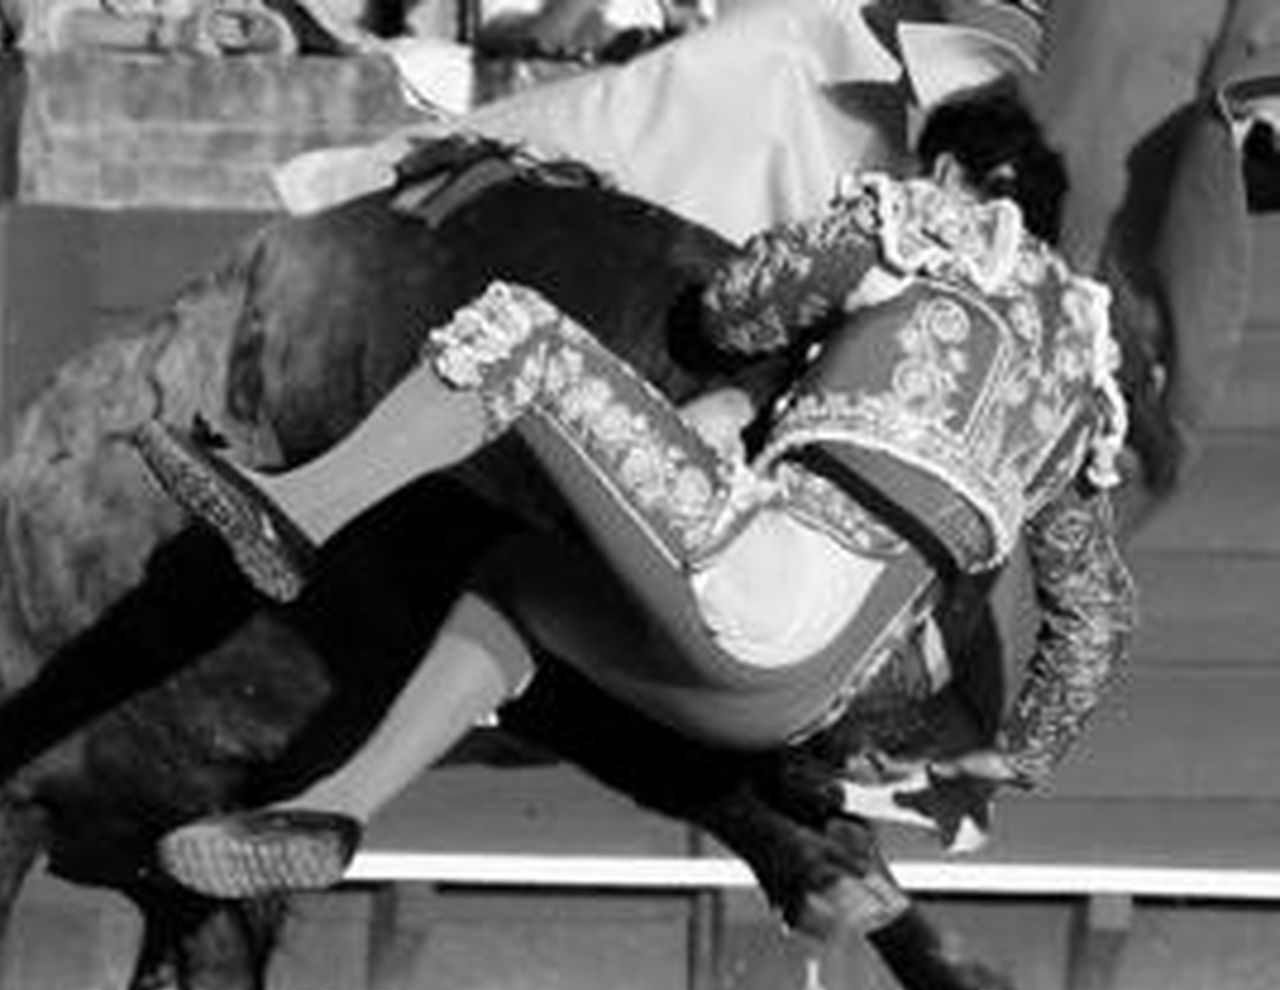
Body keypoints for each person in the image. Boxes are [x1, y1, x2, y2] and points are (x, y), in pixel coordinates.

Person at [136, 84, 1137, 900]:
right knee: (518, 585)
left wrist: (802, 336)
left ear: (955, 176)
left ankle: (297, 513)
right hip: (809, 701)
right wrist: (1019, 753)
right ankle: (339, 806)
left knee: (519, 334)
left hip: (754, 588)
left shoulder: (923, 229)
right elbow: (1095, 616)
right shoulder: (1084, 387)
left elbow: (733, 310)